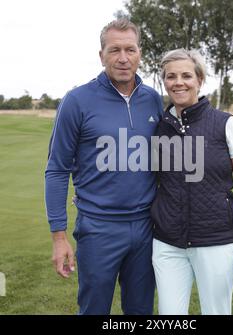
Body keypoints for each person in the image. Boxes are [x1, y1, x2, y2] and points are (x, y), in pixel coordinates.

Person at [45, 18, 163, 315]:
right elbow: (57, 170)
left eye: (130, 49)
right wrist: (59, 238)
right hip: (98, 229)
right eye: (114, 50)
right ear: (102, 56)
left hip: (147, 228)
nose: (123, 58)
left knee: (141, 312)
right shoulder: (77, 101)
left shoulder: (153, 100)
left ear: (139, 54)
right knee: (94, 310)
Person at [151, 48, 233, 315]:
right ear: (164, 82)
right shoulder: (159, 127)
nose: (179, 82)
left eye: (186, 75)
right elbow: (150, 180)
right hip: (168, 244)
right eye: (171, 76)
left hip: (217, 243)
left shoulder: (226, 124)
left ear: (199, 80)